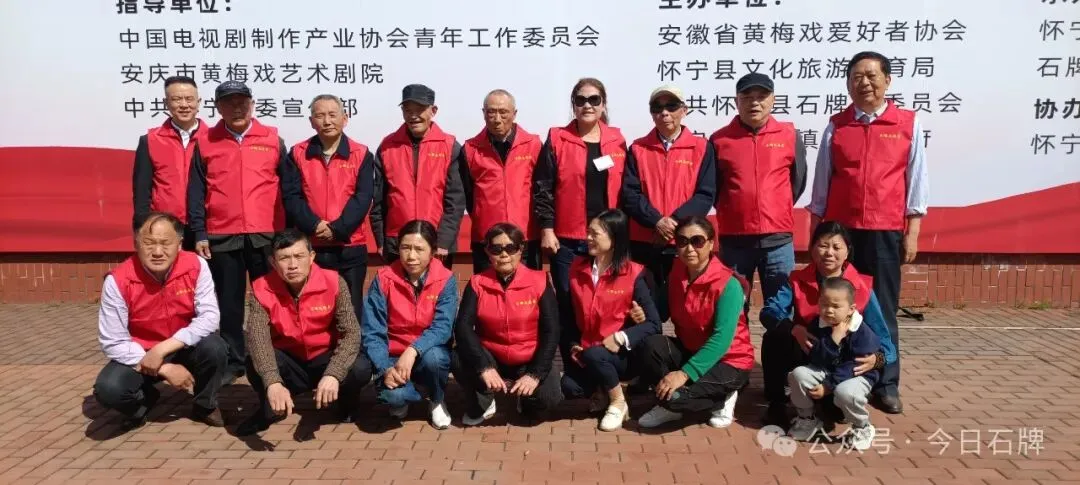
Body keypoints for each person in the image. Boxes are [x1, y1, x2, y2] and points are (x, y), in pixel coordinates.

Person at [808, 51, 929, 414]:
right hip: (842, 235)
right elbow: (822, 182)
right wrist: (817, 234)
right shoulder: (837, 126)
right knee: (835, 305)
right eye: (856, 77)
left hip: (885, 230)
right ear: (848, 84)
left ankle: (887, 383)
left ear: (887, 80)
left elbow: (916, 181)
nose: (864, 83)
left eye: (872, 75)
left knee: (883, 310)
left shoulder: (907, 124)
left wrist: (912, 231)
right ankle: (836, 377)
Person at [187, 80, 288, 382]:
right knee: (228, 302)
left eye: (242, 102)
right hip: (222, 234)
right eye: (229, 103)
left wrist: (287, 235)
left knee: (270, 299)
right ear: (217, 108)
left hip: (265, 235)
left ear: (252, 104)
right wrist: (200, 232)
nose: (237, 108)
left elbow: (289, 188)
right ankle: (234, 360)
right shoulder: (206, 142)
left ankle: (273, 356)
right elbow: (196, 192)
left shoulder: (272, 139)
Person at [93, 212, 227, 430]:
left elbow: (210, 317)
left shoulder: (197, 265)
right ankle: (143, 401)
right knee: (109, 389)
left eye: (165, 243)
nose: (157, 252)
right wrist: (165, 368)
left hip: (183, 345)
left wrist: (163, 349)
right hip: (140, 353)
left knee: (215, 348)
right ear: (136, 244)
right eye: (149, 243)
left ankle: (205, 405)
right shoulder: (118, 280)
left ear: (179, 244)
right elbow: (113, 341)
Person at [759, 221, 896, 426]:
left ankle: (836, 402)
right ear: (812, 248)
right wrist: (794, 329)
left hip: (844, 365)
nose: (829, 253)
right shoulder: (796, 280)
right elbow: (769, 312)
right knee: (774, 337)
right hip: (810, 354)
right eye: (823, 245)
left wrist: (877, 359)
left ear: (847, 251)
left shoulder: (862, 286)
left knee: (836, 413)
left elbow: (886, 341)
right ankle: (777, 403)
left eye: (836, 247)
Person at [533, 78, 629, 369]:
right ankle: (575, 369)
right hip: (568, 240)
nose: (587, 105)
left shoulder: (617, 140)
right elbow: (543, 187)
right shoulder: (557, 138)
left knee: (606, 305)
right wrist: (547, 228)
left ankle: (604, 366)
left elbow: (625, 190)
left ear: (603, 104)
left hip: (607, 241)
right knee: (569, 303)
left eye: (594, 99)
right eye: (581, 99)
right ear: (573, 104)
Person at [237, 229, 371, 436]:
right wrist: (272, 381)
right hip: (289, 360)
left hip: (325, 356)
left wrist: (334, 374)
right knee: (254, 361)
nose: (292, 265)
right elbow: (258, 338)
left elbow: (351, 333)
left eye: (299, 256)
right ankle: (269, 408)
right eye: (284, 258)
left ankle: (346, 402)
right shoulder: (261, 288)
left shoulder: (334, 282)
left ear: (312, 256)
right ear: (273, 262)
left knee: (360, 367)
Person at [635, 216, 753, 429]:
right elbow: (660, 312)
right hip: (692, 351)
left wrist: (683, 374)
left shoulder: (728, 284)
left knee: (676, 398)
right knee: (650, 346)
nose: (689, 248)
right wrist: (642, 315)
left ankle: (723, 396)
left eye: (697, 241)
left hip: (730, 361)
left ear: (711, 244)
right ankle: (672, 400)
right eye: (682, 241)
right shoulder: (676, 272)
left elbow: (721, 340)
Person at [710, 73, 806, 314]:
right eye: (747, 97)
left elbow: (798, 181)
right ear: (736, 101)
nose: (754, 103)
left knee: (781, 310)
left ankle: (779, 341)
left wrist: (775, 205)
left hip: (778, 239)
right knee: (732, 309)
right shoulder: (720, 140)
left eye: (761, 96)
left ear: (773, 100)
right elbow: (714, 187)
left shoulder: (789, 135)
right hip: (735, 240)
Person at [560, 209, 661, 432]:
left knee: (596, 355)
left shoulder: (634, 274)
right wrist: (573, 344)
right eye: (588, 232)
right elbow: (567, 316)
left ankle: (618, 402)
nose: (588, 238)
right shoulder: (576, 269)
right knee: (570, 387)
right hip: (587, 353)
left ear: (614, 238)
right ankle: (604, 388)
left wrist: (621, 336)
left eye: (595, 234)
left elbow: (654, 324)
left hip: (622, 355)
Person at [451, 223, 562, 425]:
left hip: (528, 357)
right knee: (458, 356)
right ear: (487, 252)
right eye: (496, 249)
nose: (504, 254)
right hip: (491, 356)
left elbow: (552, 330)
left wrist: (534, 374)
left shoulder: (539, 280)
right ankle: (484, 401)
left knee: (550, 397)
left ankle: (525, 400)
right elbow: (463, 327)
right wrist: (484, 367)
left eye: (510, 248)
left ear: (521, 250)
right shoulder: (477, 282)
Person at [622, 85, 716, 322]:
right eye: (657, 107)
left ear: (684, 110)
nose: (664, 112)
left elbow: (705, 194)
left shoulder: (702, 148)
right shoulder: (638, 148)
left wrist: (674, 222)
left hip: (686, 243)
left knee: (688, 309)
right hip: (645, 241)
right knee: (645, 310)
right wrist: (656, 221)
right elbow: (630, 194)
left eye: (671, 106)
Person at [281, 94, 376, 323]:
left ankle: (352, 347)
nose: (327, 121)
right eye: (320, 115)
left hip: (349, 245)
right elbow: (292, 196)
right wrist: (314, 225)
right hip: (311, 246)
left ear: (345, 118)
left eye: (333, 115)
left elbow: (363, 197)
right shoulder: (298, 153)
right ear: (311, 121)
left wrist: (337, 229)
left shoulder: (361, 153)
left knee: (350, 309)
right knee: (313, 308)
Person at [362, 220, 457, 430]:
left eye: (419, 249)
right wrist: (385, 368)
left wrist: (413, 350)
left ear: (432, 252)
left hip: (427, 352)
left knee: (436, 359)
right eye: (405, 248)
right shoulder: (384, 278)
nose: (411, 256)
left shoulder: (445, 279)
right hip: (393, 356)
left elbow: (443, 327)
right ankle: (404, 395)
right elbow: (373, 330)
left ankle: (436, 398)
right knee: (394, 397)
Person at [370, 84, 465, 264]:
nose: (413, 116)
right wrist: (381, 241)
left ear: (433, 111)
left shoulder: (450, 146)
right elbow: (379, 201)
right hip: (397, 242)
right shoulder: (387, 146)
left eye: (420, 109)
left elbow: (456, 201)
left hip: (436, 243)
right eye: (408, 110)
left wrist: (444, 241)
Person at [787, 277, 881, 451]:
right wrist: (833, 339)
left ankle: (862, 426)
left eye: (836, 306)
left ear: (851, 309)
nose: (829, 310)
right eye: (824, 304)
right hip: (827, 370)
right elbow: (815, 357)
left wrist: (828, 386)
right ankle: (807, 419)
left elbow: (854, 365)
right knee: (798, 374)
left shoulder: (860, 331)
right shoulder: (818, 324)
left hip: (857, 375)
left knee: (845, 392)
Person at [458, 89, 544, 274]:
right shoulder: (470, 149)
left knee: (529, 289)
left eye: (503, 112)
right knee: (486, 288)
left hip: (526, 237)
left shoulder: (533, 145)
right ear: (483, 113)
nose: (497, 119)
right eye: (491, 112)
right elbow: (468, 194)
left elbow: (542, 190)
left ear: (514, 113)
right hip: (487, 239)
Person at [132, 75, 207, 249]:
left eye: (189, 99)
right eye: (176, 99)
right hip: (166, 227)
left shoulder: (213, 139)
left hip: (205, 227)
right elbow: (142, 193)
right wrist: (142, 229)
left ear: (199, 102)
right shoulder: (150, 140)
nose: (184, 105)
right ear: (166, 103)